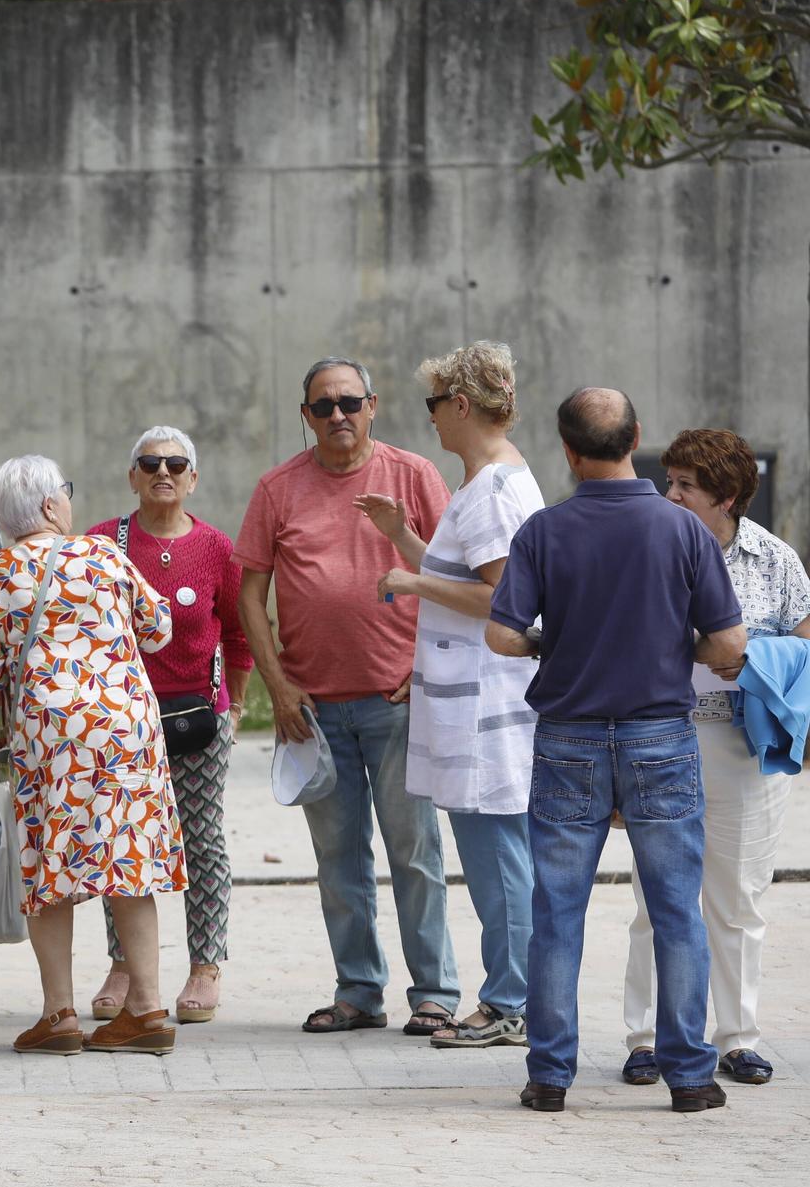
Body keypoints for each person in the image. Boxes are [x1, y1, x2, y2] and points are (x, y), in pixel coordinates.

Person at [488, 388, 746, 1114]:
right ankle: (690, 1074)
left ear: (568, 451)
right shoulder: (683, 529)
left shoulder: (543, 531)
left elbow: (503, 635)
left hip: (567, 736)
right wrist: (677, 646)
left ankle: (549, 1074)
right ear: (638, 438)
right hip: (660, 734)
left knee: (557, 911)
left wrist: (550, 642)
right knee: (676, 908)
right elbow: (728, 645)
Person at [236, 356, 460, 1036]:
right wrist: (275, 683)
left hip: (397, 702)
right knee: (338, 858)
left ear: (373, 405)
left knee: (414, 851)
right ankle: (359, 990)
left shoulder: (414, 475)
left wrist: (425, 668)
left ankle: (435, 993)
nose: (338, 415)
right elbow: (250, 591)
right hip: (313, 712)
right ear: (305, 416)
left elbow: (451, 578)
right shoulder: (277, 489)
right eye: (324, 406)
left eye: (349, 402)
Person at [0, 455, 186, 1055]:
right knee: (131, 866)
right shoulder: (105, 555)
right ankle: (148, 1009)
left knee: (50, 872)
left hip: (50, 740)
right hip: (125, 735)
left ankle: (59, 1015)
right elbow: (159, 627)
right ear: (49, 506)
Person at [362, 343, 542, 1050]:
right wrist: (403, 537)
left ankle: (510, 1001)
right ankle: (512, 994)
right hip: (471, 702)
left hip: (484, 710)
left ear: (462, 406)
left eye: (434, 404)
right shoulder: (490, 480)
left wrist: (409, 581)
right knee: (500, 859)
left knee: (500, 863)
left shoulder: (495, 487)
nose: (430, 419)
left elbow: (504, 598)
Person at [619, 429, 810, 1089]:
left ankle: (738, 1038)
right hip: (663, 743)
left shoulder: (775, 559)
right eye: (667, 480)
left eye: (684, 485)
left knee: (736, 901)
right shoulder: (647, 549)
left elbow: (805, 631)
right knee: (656, 898)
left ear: (726, 497)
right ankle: (645, 1039)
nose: (668, 493)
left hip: (744, 747)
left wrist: (766, 666)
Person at [85, 426, 251, 1024]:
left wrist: (232, 709)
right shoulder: (102, 544)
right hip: (123, 720)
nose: (163, 472)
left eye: (177, 464)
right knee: (122, 844)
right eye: (150, 463)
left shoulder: (215, 548)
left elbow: (237, 635)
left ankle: (205, 966)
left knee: (201, 840)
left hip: (199, 718)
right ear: (132, 475)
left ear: (193, 478)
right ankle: (125, 964)